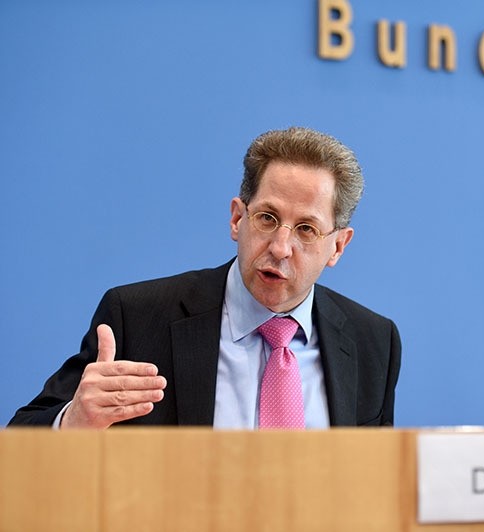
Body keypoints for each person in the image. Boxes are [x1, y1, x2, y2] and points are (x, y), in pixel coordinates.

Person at [9, 126, 401, 429]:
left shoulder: (373, 342)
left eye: (306, 229)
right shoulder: (139, 318)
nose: (281, 247)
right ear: (237, 219)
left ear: (338, 246)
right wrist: (75, 421)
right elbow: (20, 440)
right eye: (267, 218)